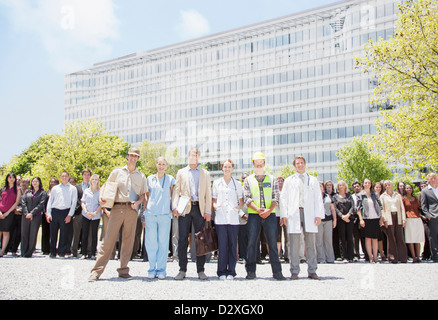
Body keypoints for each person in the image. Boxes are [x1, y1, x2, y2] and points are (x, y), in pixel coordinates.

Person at [88, 147, 148, 281]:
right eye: (131, 155)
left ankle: (123, 270)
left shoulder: (141, 176)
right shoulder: (117, 172)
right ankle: (96, 271)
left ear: (138, 158)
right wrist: (102, 201)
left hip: (132, 211)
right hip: (116, 208)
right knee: (108, 240)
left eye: (136, 156)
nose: (133, 158)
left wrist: (137, 203)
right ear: (127, 156)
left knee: (128, 241)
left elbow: (143, 195)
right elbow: (106, 187)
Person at [171, 147, 212, 280]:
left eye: (196, 155)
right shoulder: (181, 172)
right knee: (183, 239)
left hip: (199, 209)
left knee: (201, 240)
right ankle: (182, 270)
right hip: (184, 209)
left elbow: (208, 194)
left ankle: (201, 270)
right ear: (188, 156)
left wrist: (207, 211)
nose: (194, 157)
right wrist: (175, 207)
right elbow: (176, 191)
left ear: (198, 157)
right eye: (191, 155)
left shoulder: (205, 173)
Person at [280, 156, 324, 280]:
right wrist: (284, 214)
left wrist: (318, 214)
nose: (299, 165)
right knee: (294, 244)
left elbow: (318, 198)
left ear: (305, 164)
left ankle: (312, 270)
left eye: (301, 163)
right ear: (294, 166)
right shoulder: (289, 180)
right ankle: (294, 271)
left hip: (309, 213)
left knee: (311, 243)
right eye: (297, 163)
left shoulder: (313, 180)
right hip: (294, 213)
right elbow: (284, 198)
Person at [243, 152, 285, 280]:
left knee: (272, 244)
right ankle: (250, 271)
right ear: (254, 164)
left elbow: (276, 196)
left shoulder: (272, 179)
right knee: (251, 244)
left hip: (270, 215)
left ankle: (277, 272)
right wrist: (258, 210)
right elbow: (247, 198)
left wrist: (268, 210)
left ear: (264, 164)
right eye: (257, 163)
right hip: (254, 216)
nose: (259, 165)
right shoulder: (248, 180)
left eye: (261, 162)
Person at [142, 157, 175, 279]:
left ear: (166, 166)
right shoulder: (149, 179)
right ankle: (151, 268)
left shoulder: (170, 179)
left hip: (165, 214)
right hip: (151, 214)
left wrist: (173, 208)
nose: (161, 166)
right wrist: (144, 213)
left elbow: (173, 195)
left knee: (163, 242)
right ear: (156, 165)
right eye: (159, 164)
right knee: (151, 242)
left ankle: (161, 269)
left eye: (163, 164)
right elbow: (146, 196)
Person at [212, 159, 244, 280]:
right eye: (225, 167)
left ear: (232, 168)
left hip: (233, 218)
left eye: (229, 167)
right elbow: (213, 200)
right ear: (222, 168)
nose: (227, 169)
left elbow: (241, 200)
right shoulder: (217, 183)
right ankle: (221, 272)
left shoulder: (237, 184)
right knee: (222, 245)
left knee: (232, 245)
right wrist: (215, 207)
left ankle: (231, 271)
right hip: (220, 218)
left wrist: (237, 208)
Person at [46, 171, 78, 258]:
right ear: (60, 177)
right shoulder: (55, 188)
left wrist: (70, 215)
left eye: (66, 176)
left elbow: (74, 202)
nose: (64, 178)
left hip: (65, 212)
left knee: (64, 234)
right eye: (62, 176)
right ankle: (52, 251)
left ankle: (61, 252)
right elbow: (50, 201)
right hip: (55, 211)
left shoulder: (72, 189)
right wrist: (48, 213)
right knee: (53, 233)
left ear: (68, 177)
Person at [356, 178, 384, 263]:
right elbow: (358, 208)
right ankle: (370, 257)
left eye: (369, 182)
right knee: (368, 238)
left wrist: (381, 218)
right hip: (366, 218)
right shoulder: (360, 195)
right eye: (365, 183)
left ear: (371, 184)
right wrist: (361, 219)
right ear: (363, 184)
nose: (367, 184)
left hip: (375, 218)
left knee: (375, 238)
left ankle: (376, 257)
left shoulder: (374, 195)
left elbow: (380, 206)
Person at [380, 180, 407, 263]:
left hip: (398, 216)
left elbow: (402, 207)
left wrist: (403, 219)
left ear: (392, 185)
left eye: (389, 185)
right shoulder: (382, 196)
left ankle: (403, 257)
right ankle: (392, 257)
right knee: (391, 237)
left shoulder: (397, 195)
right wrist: (384, 220)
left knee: (400, 237)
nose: (388, 186)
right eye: (386, 185)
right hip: (389, 217)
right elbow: (382, 209)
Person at [20, 177, 47, 257]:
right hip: (25, 216)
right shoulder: (27, 191)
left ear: (39, 182)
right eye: (33, 181)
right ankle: (23, 252)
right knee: (24, 233)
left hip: (36, 216)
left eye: (36, 181)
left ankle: (29, 252)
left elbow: (41, 205)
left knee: (33, 234)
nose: (35, 183)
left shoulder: (43, 193)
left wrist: (32, 213)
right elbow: (23, 202)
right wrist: (27, 213)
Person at [80, 174, 102, 259]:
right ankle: (84, 253)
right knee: (84, 234)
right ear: (91, 181)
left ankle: (93, 253)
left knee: (94, 234)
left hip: (95, 216)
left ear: (98, 181)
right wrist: (85, 211)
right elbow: (83, 202)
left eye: (96, 179)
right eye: (93, 179)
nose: (94, 181)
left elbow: (101, 204)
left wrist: (95, 213)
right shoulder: (86, 191)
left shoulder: (100, 192)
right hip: (86, 214)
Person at [0, 173, 22, 257]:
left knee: (5, 231)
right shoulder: (3, 188)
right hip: (0, 212)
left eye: (13, 177)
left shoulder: (17, 189)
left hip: (9, 213)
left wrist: (7, 213)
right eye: (10, 177)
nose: (11, 179)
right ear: (7, 179)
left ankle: (2, 251)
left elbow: (16, 202)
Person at [71, 169, 91, 257]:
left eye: (88, 175)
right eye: (85, 174)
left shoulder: (93, 186)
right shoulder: (77, 187)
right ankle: (74, 251)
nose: (86, 176)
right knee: (76, 233)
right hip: (78, 212)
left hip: (88, 213)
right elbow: (74, 200)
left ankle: (85, 251)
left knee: (87, 233)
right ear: (82, 175)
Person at [333, 181, 355, 262]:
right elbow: (335, 208)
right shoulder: (335, 197)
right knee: (341, 238)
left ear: (345, 186)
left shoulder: (349, 196)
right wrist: (342, 216)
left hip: (349, 219)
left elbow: (353, 206)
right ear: (338, 187)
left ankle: (350, 257)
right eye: (340, 185)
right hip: (340, 219)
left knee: (350, 237)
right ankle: (344, 257)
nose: (341, 187)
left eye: (342, 185)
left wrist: (348, 215)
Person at [402, 183, 425, 263]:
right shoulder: (403, 199)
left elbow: (419, 208)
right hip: (408, 219)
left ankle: (418, 257)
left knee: (417, 238)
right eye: (407, 188)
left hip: (417, 219)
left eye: (410, 188)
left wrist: (421, 216)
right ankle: (414, 257)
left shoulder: (415, 198)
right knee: (410, 239)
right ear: (405, 189)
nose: (409, 190)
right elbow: (403, 210)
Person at [316, 182, 336, 264]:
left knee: (328, 240)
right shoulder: (314, 197)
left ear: (323, 187)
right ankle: (321, 258)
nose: (319, 187)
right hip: (319, 221)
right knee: (319, 240)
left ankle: (330, 258)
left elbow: (332, 209)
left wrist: (335, 220)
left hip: (328, 219)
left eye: (320, 186)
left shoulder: (328, 196)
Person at [420, 173, 438, 263]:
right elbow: (423, 205)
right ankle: (435, 256)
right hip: (433, 216)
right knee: (433, 237)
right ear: (428, 180)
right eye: (431, 179)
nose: (433, 180)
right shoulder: (425, 191)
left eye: (434, 178)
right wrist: (428, 215)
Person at [373, 181, 387, 261]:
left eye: (379, 187)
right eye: (376, 187)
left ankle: (385, 253)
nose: (378, 189)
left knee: (384, 237)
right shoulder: (372, 196)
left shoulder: (383, 196)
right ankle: (380, 253)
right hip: (375, 219)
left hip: (384, 218)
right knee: (378, 237)